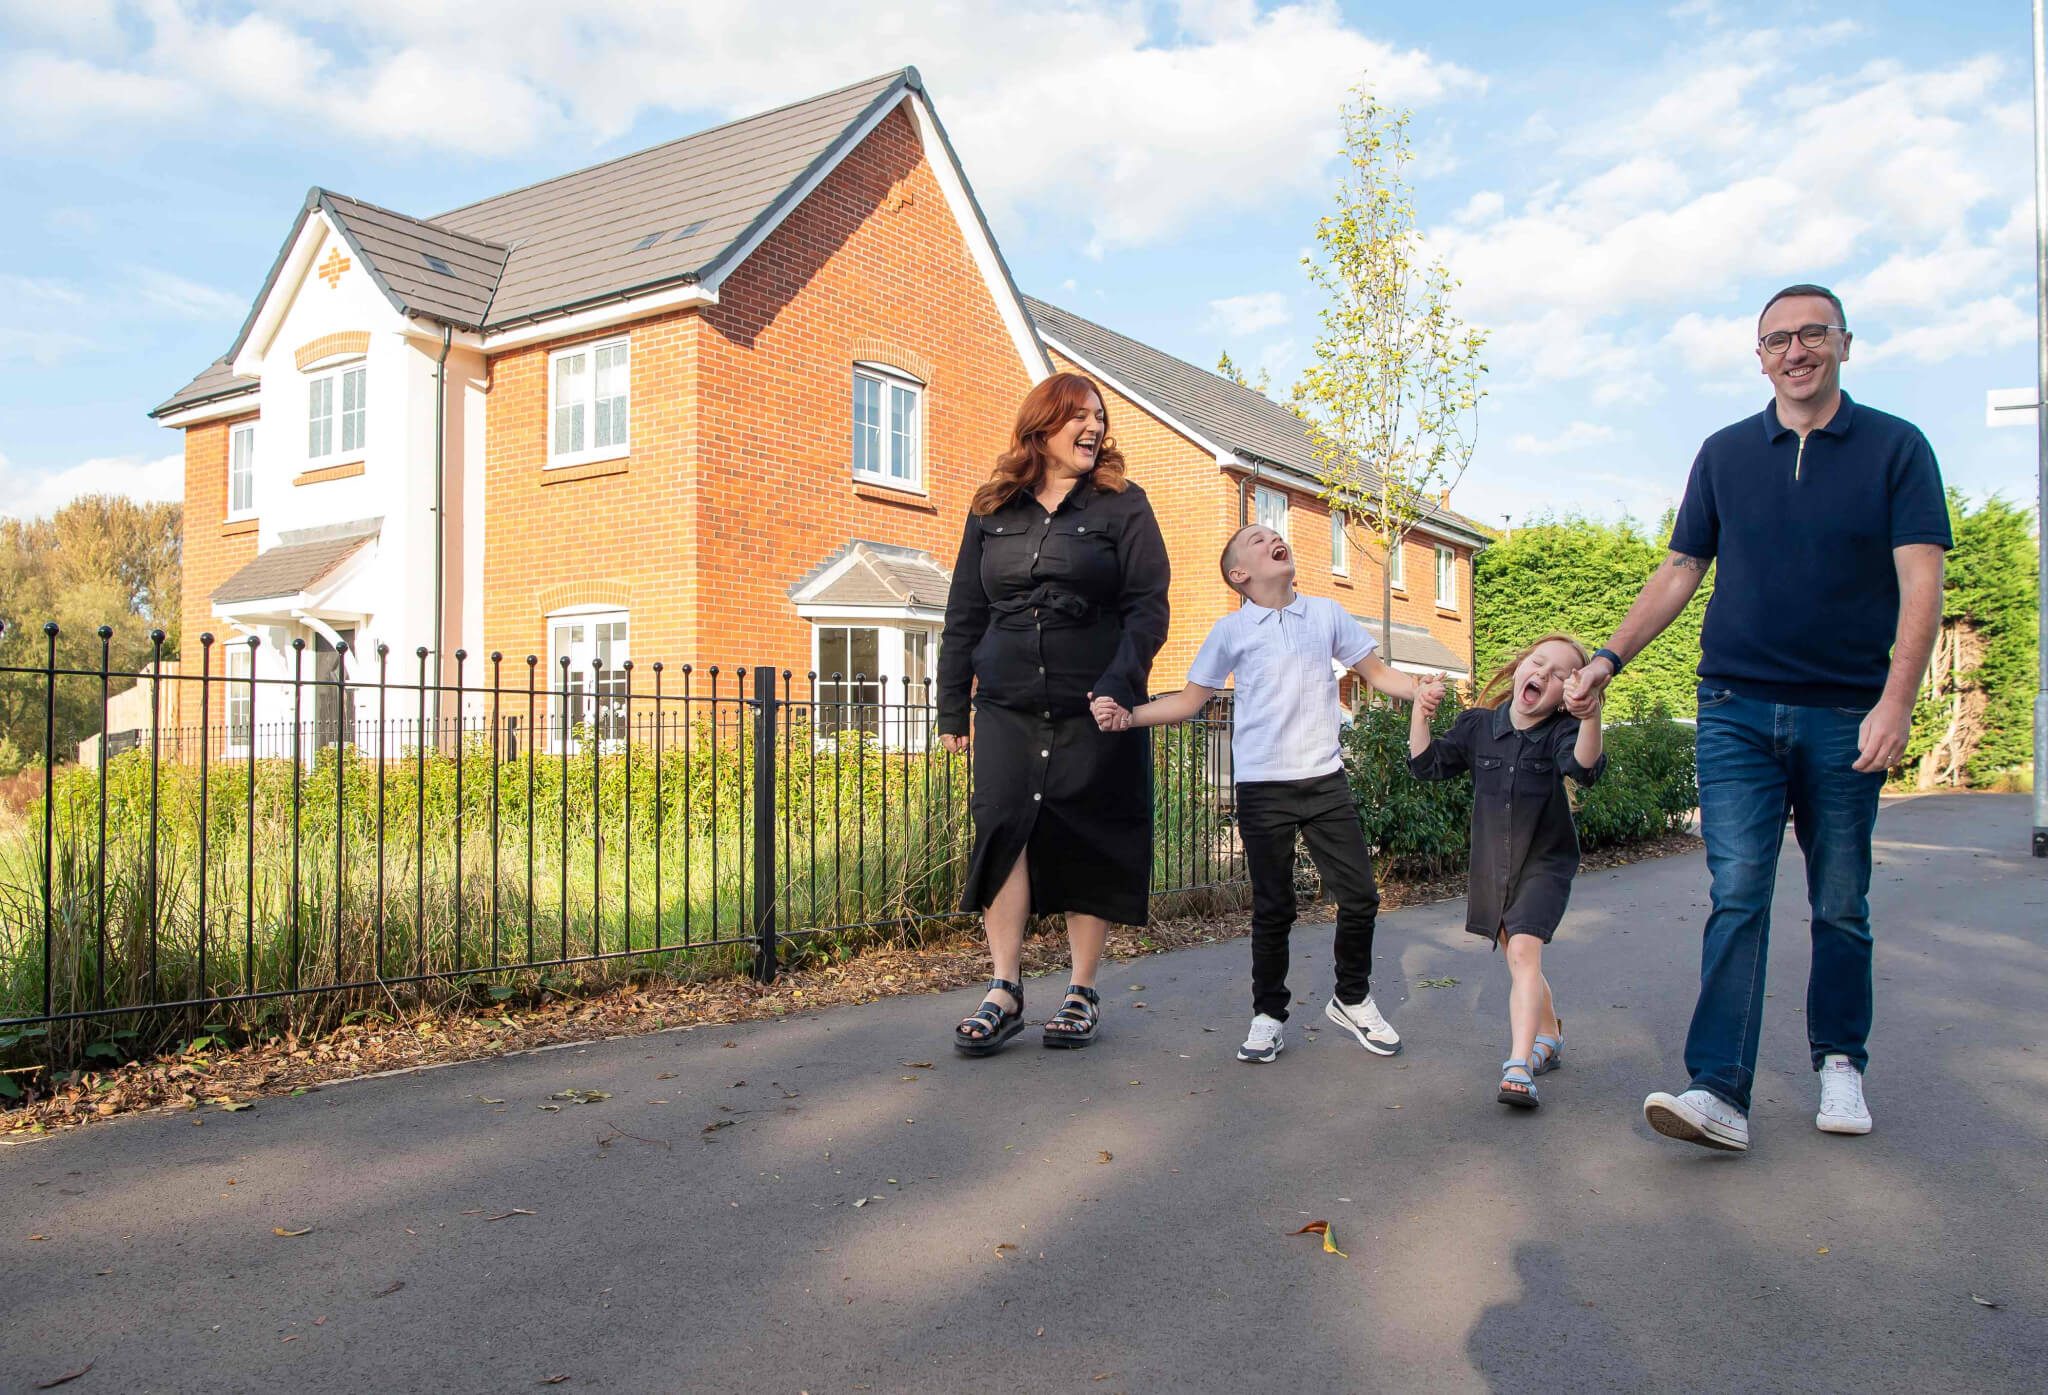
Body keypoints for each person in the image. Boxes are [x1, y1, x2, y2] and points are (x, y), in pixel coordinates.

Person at [1564, 284, 1950, 1152]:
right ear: (1760, 356)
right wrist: (1605, 658)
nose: (1795, 350)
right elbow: (1678, 569)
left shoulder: (1897, 448)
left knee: (1841, 900)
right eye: (1777, 339)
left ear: (1843, 343)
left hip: (1848, 713)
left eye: (1812, 333)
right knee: (1736, 894)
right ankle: (1719, 1092)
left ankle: (1840, 1061)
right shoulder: (1725, 453)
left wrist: (1896, 700)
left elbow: (1921, 583)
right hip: (1735, 707)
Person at [1092, 521, 1438, 1063]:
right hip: (1263, 787)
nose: (1273, 537)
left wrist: (1421, 688)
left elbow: (1377, 674)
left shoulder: (1326, 614)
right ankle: (1268, 1015)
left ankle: (1352, 998)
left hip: (1324, 780)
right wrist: (1127, 717)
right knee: (1274, 907)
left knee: (1361, 897)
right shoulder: (1231, 631)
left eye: (1274, 533)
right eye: (1256, 539)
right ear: (1240, 574)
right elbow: (1188, 703)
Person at [937, 371, 1170, 1056]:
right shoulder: (992, 508)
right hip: (1007, 703)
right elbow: (963, 612)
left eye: (1101, 416)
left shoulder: (1123, 506)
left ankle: (1081, 988)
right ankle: (1004, 988)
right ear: (1043, 424)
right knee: (1004, 829)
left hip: (1091, 704)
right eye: (1081, 415)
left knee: (1087, 830)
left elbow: (1147, 608)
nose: (1095, 427)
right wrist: (954, 701)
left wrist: (1120, 683)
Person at [1407, 635, 1606, 1108]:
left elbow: (1584, 766)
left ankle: (1518, 1065)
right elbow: (1425, 765)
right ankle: (1549, 1034)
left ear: (1565, 695)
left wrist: (1591, 713)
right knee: (1520, 957)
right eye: (1538, 663)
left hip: (1546, 860)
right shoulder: (1479, 726)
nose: (1544, 674)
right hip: (1494, 860)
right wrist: (1420, 710)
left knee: (1521, 950)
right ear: (1519, 669)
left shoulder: (1560, 731)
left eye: (1561, 675)